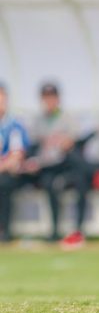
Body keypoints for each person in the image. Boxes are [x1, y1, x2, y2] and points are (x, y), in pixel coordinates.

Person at [22, 82, 90, 248]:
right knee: (48, 184)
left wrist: (64, 143)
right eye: (46, 98)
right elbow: (34, 147)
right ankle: (54, 231)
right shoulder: (38, 121)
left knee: (81, 181)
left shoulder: (67, 118)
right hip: (47, 167)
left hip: (66, 165)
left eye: (52, 97)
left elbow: (73, 142)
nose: (49, 101)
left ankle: (78, 231)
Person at [0, 83, 30, 242]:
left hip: (9, 174)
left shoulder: (13, 126)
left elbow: (16, 156)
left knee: (3, 183)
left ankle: (4, 230)